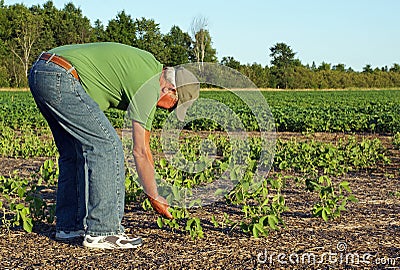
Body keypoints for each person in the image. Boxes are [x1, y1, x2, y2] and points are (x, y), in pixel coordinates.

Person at [28, 42, 199, 249]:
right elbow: (141, 151)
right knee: (107, 146)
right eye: (173, 106)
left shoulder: (148, 65)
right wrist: (154, 194)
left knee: (73, 152)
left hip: (42, 70)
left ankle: (70, 226)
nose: (166, 110)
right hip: (62, 75)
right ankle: (104, 231)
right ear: (170, 89)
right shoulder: (149, 85)